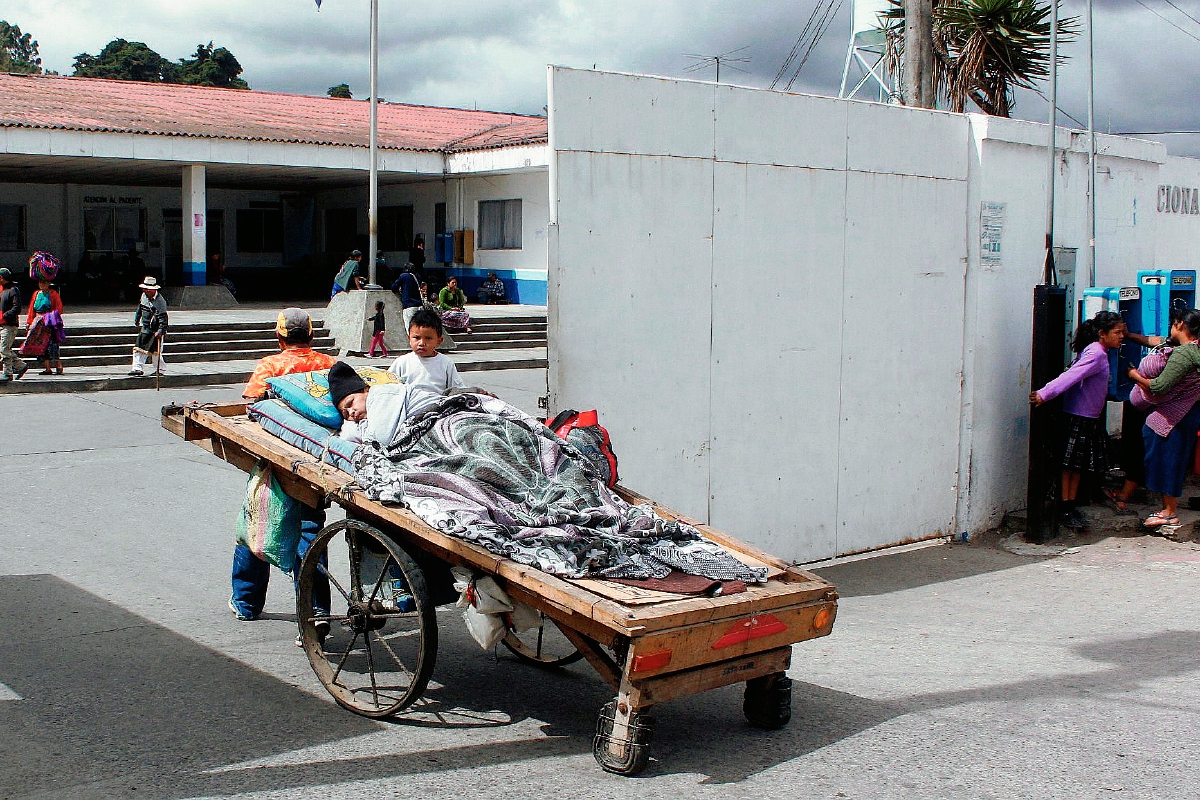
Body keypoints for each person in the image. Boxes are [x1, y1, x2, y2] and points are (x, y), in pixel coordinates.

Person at [233, 308, 338, 646]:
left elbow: (251, 402)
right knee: (310, 531)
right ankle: (316, 611)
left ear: (279, 337)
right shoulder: (330, 365)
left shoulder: (271, 366)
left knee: (256, 524)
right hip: (322, 461)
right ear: (311, 335)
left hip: (277, 461)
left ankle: (246, 603)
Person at [1030, 310, 1126, 529]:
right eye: (1117, 332)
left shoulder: (1098, 351)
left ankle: (1070, 505)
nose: (1121, 336)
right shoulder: (1096, 354)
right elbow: (1072, 376)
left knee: (1076, 466)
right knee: (1070, 466)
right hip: (1079, 415)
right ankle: (1065, 506)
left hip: (1088, 415)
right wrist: (1045, 393)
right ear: (1103, 333)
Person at [1126, 308, 1200, 529]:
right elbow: (1157, 341)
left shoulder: (1184, 355)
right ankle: (1168, 509)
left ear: (1180, 325)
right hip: (1190, 413)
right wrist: (1130, 336)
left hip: (1174, 418)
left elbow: (1159, 387)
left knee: (1168, 461)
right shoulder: (1194, 347)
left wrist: (1133, 375)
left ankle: (1169, 512)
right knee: (1176, 460)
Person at [329, 360, 442, 446]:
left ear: (365, 390)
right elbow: (347, 437)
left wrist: (361, 428)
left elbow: (381, 440)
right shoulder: (370, 413)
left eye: (350, 403)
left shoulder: (380, 394)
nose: (351, 412)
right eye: (346, 414)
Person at [388, 308, 465, 395]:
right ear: (409, 338)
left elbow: (458, 389)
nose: (421, 343)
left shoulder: (446, 363)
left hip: (436, 404)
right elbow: (387, 385)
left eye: (428, 338)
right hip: (409, 405)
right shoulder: (402, 363)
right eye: (416, 338)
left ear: (439, 341)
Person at [23, 277, 65, 375]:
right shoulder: (36, 294)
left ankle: (58, 365)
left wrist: (48, 317)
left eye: (44, 283)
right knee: (41, 346)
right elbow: (31, 309)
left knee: (53, 344)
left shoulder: (53, 294)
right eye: (40, 282)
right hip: (38, 323)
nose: (42, 284)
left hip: (50, 323)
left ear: (49, 283)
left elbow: (59, 309)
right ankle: (47, 368)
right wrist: (29, 322)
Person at [129, 276, 168, 377]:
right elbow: (140, 308)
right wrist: (137, 319)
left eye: (147, 289)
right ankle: (137, 368)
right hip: (145, 327)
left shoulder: (160, 301)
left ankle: (160, 370)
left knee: (156, 352)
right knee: (138, 348)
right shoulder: (144, 296)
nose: (145, 291)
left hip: (155, 329)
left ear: (153, 290)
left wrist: (161, 330)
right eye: (144, 289)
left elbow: (163, 318)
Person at [0, 268, 27, 382]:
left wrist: (4, 316)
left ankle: (8, 373)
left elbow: (17, 308)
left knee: (4, 348)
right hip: (2, 324)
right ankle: (21, 366)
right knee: (5, 348)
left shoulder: (13, 290)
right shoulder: (2, 291)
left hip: (10, 325)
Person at [390, 263, 423, 332]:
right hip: (420, 306)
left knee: (410, 329)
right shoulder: (417, 276)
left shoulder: (404, 276)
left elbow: (393, 287)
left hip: (409, 306)